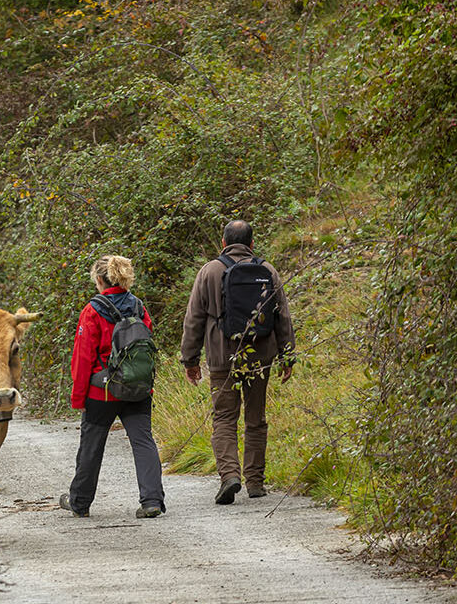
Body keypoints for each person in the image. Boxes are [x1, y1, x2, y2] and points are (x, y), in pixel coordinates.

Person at [181, 219, 295, 505]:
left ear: (223, 242)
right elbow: (283, 316)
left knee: (224, 419)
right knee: (256, 419)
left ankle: (230, 476)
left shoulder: (209, 271)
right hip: (260, 356)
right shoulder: (267, 270)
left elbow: (194, 318)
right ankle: (255, 482)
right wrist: (287, 355)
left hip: (222, 358)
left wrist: (190, 359)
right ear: (252, 243)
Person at [59, 255, 166, 519]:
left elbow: (82, 359)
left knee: (91, 446)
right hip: (136, 388)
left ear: (99, 280)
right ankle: (152, 500)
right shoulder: (138, 307)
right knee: (143, 442)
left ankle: (80, 502)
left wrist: (78, 397)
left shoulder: (92, 311)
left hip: (101, 391)